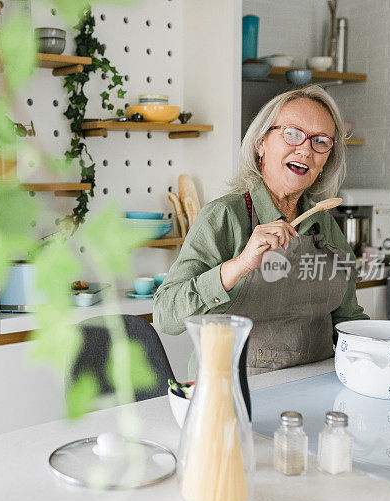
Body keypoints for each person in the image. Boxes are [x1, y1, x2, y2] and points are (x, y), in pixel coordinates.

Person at [154, 86, 368, 410]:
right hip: (235, 399)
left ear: (327, 159)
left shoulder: (326, 225)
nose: (306, 151)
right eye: (293, 134)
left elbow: (348, 319)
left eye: (320, 141)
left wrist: (383, 352)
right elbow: (166, 315)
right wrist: (238, 265)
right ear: (261, 144)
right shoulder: (225, 216)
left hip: (321, 395)